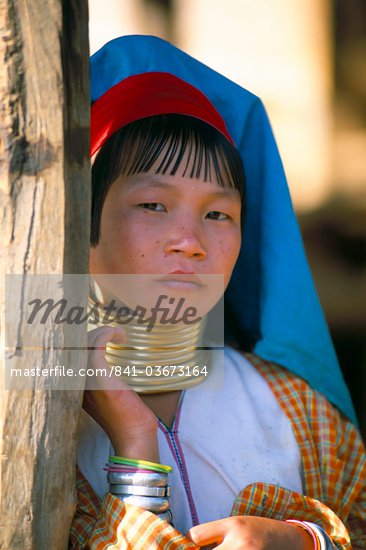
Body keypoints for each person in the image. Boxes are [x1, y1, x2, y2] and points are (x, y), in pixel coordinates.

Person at [69, 35, 366, 549]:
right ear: (78, 223)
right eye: (153, 206)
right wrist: (135, 446)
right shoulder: (30, 419)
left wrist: (307, 540)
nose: (191, 243)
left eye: (217, 214)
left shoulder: (296, 408)